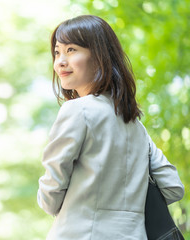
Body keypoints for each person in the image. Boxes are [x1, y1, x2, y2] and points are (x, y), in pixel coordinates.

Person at [37, 15, 184, 239]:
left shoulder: (77, 110)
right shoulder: (133, 122)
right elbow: (173, 187)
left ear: (100, 57)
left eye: (72, 50)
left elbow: (50, 196)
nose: (60, 61)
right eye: (57, 52)